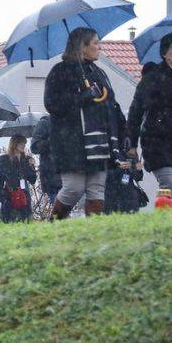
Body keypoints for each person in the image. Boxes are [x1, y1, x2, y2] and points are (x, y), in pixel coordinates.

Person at [44, 27, 123, 219]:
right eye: (95, 43)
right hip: (71, 142)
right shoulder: (60, 71)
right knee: (73, 188)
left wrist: (124, 133)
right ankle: (53, 224)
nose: (99, 48)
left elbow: (112, 105)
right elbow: (52, 104)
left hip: (100, 142)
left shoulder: (99, 72)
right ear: (82, 46)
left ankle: (92, 232)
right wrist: (81, 97)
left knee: (97, 189)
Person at [125, 32, 172, 208]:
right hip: (158, 142)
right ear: (164, 53)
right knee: (169, 185)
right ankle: (162, 221)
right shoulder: (152, 78)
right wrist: (131, 144)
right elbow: (136, 112)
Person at [0, 135, 39, 223]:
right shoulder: (4, 159)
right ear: (14, 144)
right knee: (9, 225)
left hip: (24, 196)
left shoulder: (27, 159)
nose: (23, 146)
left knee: (26, 224)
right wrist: (3, 199)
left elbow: (33, 179)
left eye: (24, 143)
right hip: (9, 196)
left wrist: (31, 166)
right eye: (21, 143)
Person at [31, 114, 62, 210]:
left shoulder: (70, 122)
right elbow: (34, 147)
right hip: (53, 179)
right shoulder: (44, 123)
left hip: (72, 176)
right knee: (61, 212)